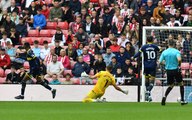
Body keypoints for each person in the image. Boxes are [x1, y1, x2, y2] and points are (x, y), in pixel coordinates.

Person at [160, 40, 188, 106]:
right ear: (174, 45)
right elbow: (179, 59)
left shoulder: (165, 52)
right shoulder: (176, 51)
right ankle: (182, 100)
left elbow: (160, 61)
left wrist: (166, 63)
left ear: (168, 44)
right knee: (181, 84)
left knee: (171, 85)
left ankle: (164, 96)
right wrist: (179, 65)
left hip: (168, 71)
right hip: (176, 69)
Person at [133, 36, 160, 102]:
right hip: (153, 65)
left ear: (147, 40)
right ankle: (148, 91)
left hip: (146, 66)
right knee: (152, 81)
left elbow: (138, 54)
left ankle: (148, 95)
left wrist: (133, 57)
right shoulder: (155, 47)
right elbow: (160, 50)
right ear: (152, 40)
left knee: (147, 80)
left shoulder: (143, 47)